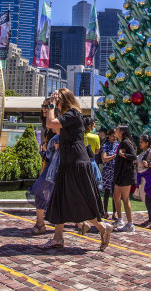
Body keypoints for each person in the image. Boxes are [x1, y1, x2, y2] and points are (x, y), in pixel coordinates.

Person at [40, 88, 112, 250]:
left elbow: (50, 123)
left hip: (76, 163)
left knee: (79, 199)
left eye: (58, 102)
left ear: (64, 101)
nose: (56, 105)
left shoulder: (73, 114)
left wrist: (51, 106)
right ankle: (58, 238)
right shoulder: (68, 115)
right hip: (68, 161)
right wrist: (52, 109)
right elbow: (53, 127)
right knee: (60, 198)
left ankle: (102, 227)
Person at [25, 134, 60, 235]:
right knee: (48, 192)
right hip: (51, 165)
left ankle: (40, 224)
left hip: (55, 166)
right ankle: (40, 223)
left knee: (38, 189)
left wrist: (50, 148)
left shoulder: (60, 135)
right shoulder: (53, 133)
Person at [111, 125, 137, 233]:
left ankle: (130, 224)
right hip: (120, 174)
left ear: (121, 132)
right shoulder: (122, 142)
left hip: (125, 175)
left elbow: (134, 156)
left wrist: (123, 154)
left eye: (117, 130)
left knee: (125, 199)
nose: (115, 131)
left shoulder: (126, 142)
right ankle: (120, 220)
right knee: (116, 196)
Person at [99, 128, 119, 218]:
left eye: (115, 136)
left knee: (115, 192)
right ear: (109, 136)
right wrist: (114, 156)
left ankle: (115, 212)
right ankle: (105, 211)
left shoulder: (118, 145)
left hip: (115, 171)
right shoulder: (105, 145)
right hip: (107, 171)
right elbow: (104, 158)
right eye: (113, 136)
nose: (114, 138)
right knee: (107, 192)